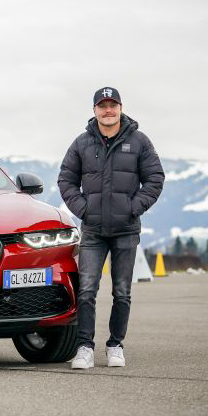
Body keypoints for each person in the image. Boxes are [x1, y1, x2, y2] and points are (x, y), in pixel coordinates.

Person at [58, 87, 164, 369]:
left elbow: (155, 179)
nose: (108, 110)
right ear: (94, 110)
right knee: (87, 290)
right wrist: (84, 210)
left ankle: (115, 345)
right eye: (102, 105)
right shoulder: (81, 143)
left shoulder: (139, 141)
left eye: (112, 105)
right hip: (92, 230)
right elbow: (66, 180)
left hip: (126, 230)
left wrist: (133, 207)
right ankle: (84, 347)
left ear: (120, 108)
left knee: (122, 292)